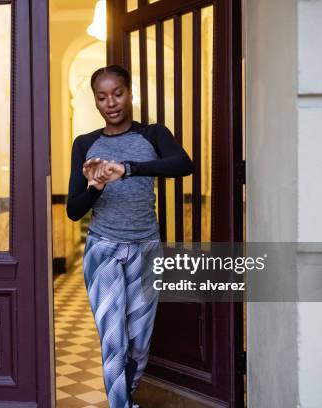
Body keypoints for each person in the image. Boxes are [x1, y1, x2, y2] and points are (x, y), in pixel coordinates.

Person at [66, 64, 194, 408]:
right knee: (114, 344)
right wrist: (96, 186)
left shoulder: (153, 135)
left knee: (139, 343)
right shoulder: (84, 144)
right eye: (102, 97)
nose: (111, 102)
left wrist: (129, 168)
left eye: (117, 93)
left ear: (130, 93)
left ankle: (128, 396)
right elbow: (74, 210)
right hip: (103, 249)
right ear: (95, 102)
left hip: (146, 247)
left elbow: (184, 164)